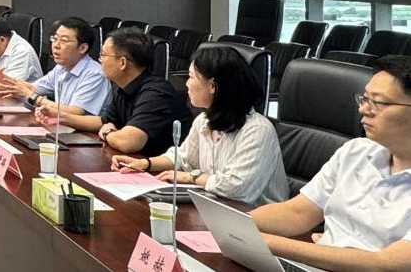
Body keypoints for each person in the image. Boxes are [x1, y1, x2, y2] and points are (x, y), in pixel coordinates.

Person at [248, 55, 411, 271]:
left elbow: (384, 264)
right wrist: (234, 223)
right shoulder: (355, 151)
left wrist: (267, 243)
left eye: (378, 102)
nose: (363, 109)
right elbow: (298, 213)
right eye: (364, 99)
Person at [110, 47, 287, 205]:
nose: (186, 83)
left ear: (212, 86)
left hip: (256, 220)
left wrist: (191, 177)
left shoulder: (257, 130)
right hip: (216, 208)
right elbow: (184, 159)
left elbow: (236, 188)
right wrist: (145, 164)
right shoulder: (204, 120)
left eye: (191, 77)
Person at [36, 28, 189, 155]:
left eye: (103, 55)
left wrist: (107, 133)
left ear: (122, 63)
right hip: (134, 162)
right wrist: (59, 116)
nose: (100, 60)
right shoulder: (123, 87)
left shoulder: (156, 94)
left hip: (160, 172)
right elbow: (103, 121)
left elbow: (128, 142)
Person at [0, 17, 110, 115]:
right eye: (55, 39)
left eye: (64, 41)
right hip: (60, 126)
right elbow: (34, 87)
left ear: (82, 48)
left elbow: (75, 112)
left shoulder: (95, 74)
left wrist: (31, 96)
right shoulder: (61, 67)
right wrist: (5, 80)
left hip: (82, 131)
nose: (56, 45)